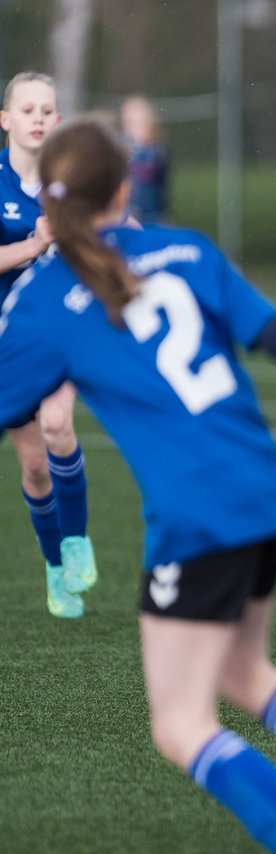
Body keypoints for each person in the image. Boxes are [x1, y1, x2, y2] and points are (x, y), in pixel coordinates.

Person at [0, 118, 276, 854]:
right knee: (245, 672)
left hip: (198, 519)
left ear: (51, 201)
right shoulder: (188, 250)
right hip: (268, 495)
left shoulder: (45, 299)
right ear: (126, 186)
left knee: (181, 725)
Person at [0, 71, 96, 618]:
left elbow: (111, 232)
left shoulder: (73, 183)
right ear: (6, 120)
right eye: (27, 109)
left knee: (59, 426)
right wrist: (33, 246)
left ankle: (77, 541)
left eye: (47, 110)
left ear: (58, 121)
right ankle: (55, 567)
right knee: (34, 467)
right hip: (8, 343)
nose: (37, 118)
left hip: (60, 336)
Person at [120, 94, 168, 224]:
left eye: (139, 122)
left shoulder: (157, 150)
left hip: (153, 217)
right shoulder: (121, 146)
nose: (134, 128)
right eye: (131, 122)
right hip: (127, 216)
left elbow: (146, 175)